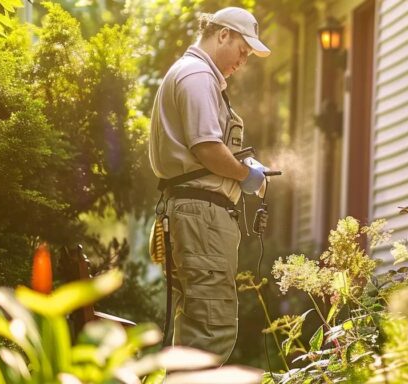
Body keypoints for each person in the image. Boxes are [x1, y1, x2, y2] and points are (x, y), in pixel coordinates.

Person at [147, 6, 271, 364]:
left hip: (193, 213)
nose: (243, 60)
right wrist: (244, 175)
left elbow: (205, 149)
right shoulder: (198, 75)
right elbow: (207, 148)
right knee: (210, 332)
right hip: (202, 217)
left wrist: (242, 165)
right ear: (222, 35)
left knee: (194, 335)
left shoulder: (192, 74)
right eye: (242, 50)